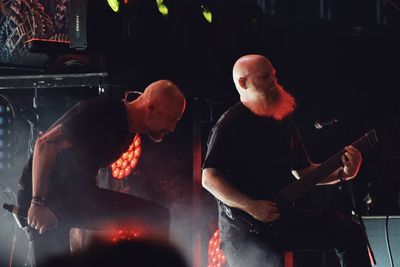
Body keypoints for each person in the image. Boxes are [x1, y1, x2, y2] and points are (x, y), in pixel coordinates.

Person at [202, 54, 372, 267]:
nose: (274, 82)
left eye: (274, 76)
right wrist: (251, 206)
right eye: (265, 77)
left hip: (282, 219)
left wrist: (344, 174)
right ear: (243, 83)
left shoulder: (282, 120)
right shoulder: (229, 125)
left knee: (350, 233)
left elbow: (304, 172)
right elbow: (209, 178)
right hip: (245, 232)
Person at [16, 79, 186, 266]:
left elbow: (81, 167)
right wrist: (37, 202)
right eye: (171, 120)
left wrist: (83, 221)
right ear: (152, 107)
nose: (172, 128)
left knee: (158, 216)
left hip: (75, 197)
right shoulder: (103, 113)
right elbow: (45, 144)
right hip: (46, 200)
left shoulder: (127, 131)